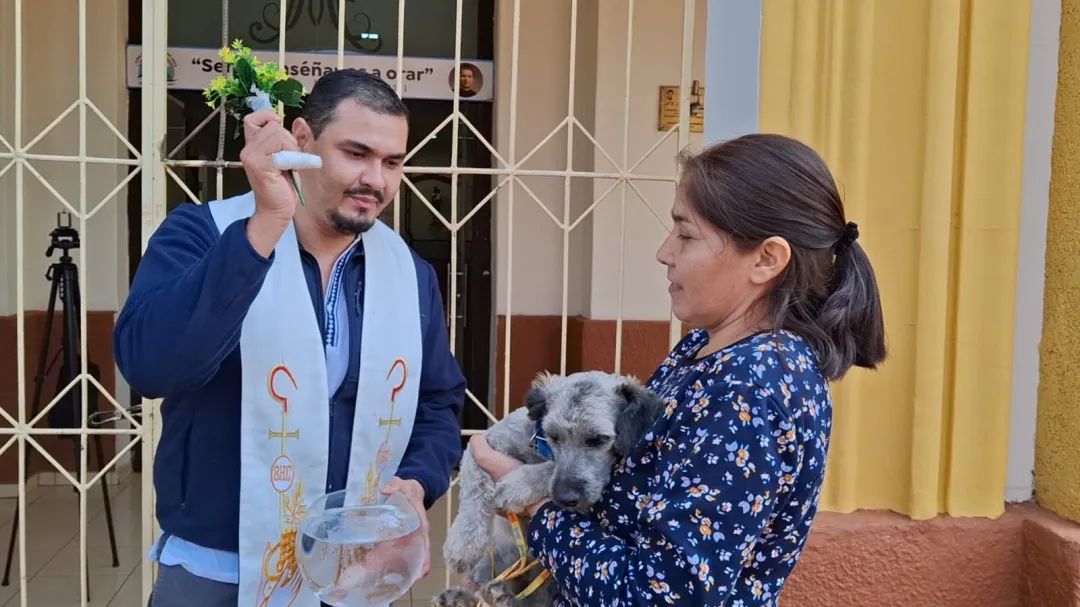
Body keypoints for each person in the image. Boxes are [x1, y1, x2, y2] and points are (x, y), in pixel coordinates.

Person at [470, 133, 887, 606]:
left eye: (686, 235)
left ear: (766, 259)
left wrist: (537, 505)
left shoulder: (749, 384)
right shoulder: (705, 350)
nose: (665, 252)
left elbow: (662, 596)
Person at [114, 69, 466, 606]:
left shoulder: (408, 273)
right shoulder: (202, 234)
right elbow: (150, 366)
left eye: (392, 162)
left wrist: (416, 484)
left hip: (353, 568)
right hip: (218, 567)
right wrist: (267, 223)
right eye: (356, 153)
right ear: (300, 140)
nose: (377, 179)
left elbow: (438, 400)